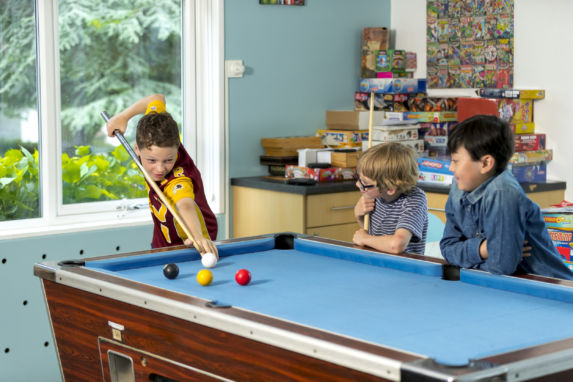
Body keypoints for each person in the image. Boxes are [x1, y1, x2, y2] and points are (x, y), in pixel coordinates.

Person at [439, 114, 573, 280]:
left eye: (456, 160)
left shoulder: (503, 192)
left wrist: (468, 258)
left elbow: (502, 266)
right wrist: (483, 249)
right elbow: (447, 247)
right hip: (500, 285)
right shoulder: (458, 186)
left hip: (548, 287)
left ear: (486, 163)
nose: (451, 168)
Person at [106, 94, 218, 256]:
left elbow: (184, 204)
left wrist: (198, 237)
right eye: (152, 160)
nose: (160, 168)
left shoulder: (178, 179)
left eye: (168, 160)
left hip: (194, 245)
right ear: (137, 149)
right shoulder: (155, 127)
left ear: (177, 146)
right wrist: (123, 117)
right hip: (161, 242)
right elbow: (156, 98)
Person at [353, 142, 428, 255]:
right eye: (359, 178)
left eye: (365, 182)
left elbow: (397, 245)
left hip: (404, 268)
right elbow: (374, 237)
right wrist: (359, 216)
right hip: (379, 262)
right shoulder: (376, 194)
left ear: (390, 188)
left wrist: (364, 239)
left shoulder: (414, 200)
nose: (358, 185)